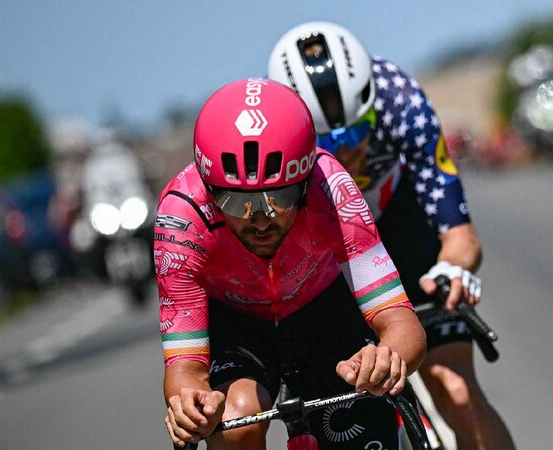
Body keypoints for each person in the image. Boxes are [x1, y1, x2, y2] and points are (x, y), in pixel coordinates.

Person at [268, 22, 515, 450]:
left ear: (373, 108)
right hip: (331, 254)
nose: (346, 149)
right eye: (328, 141)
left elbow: (461, 237)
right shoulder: (274, 136)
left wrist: (451, 269)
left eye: (358, 130)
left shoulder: (400, 101)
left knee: (456, 389)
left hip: (401, 226)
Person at [156, 78, 426, 450]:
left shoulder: (331, 188)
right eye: (236, 202)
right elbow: (185, 368)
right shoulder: (181, 216)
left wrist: (386, 357)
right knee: (235, 423)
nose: (259, 220)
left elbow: (400, 322)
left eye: (278, 198)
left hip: (324, 312)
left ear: (304, 182)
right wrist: (189, 403)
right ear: (209, 190)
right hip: (238, 326)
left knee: (363, 408)